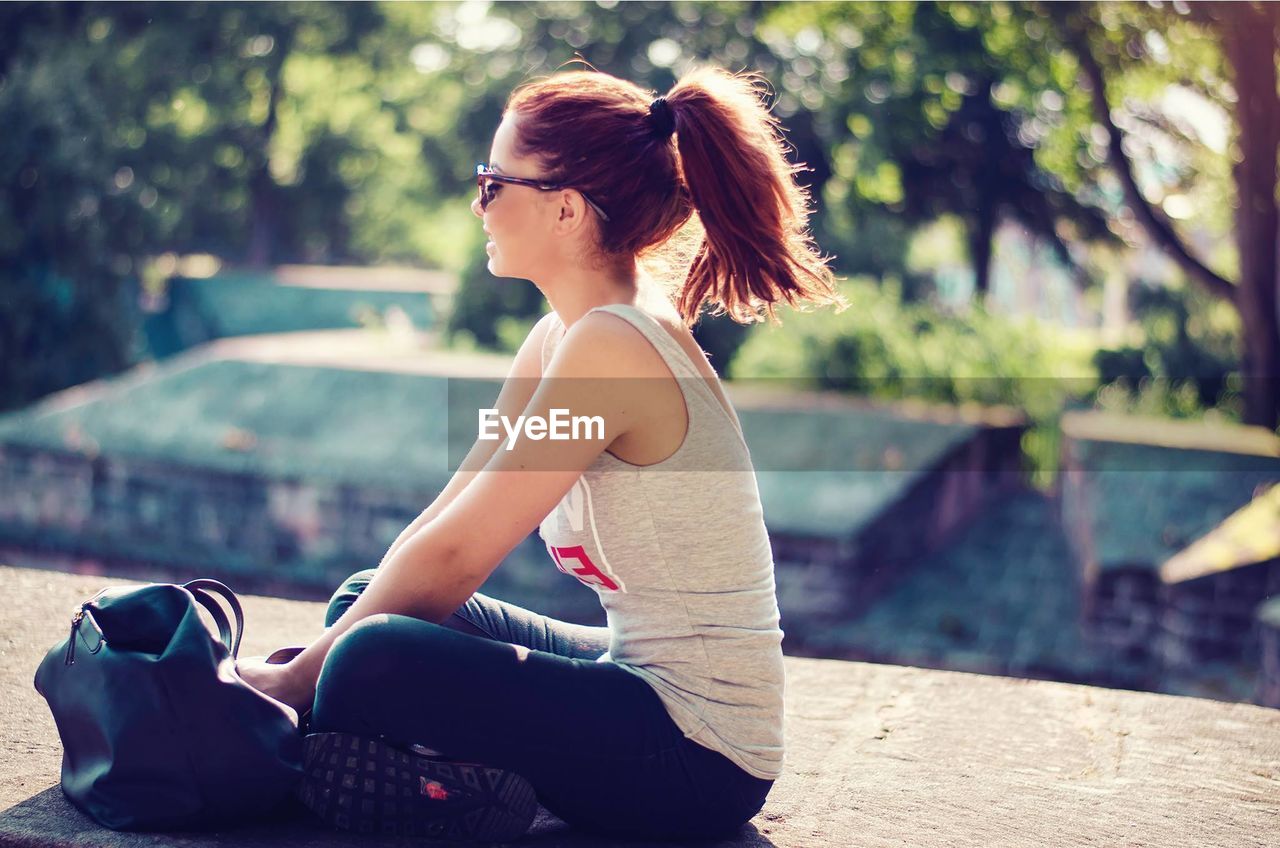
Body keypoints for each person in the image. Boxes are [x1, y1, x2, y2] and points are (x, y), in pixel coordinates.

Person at [237, 61, 847, 842]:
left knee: (370, 659)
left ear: (563, 210)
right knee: (364, 601)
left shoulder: (611, 347)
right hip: (637, 675)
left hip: (700, 758)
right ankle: (456, 777)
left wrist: (291, 681)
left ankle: (462, 787)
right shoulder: (566, 332)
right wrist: (311, 665)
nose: (477, 201)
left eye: (493, 183)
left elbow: (463, 553)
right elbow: (451, 512)